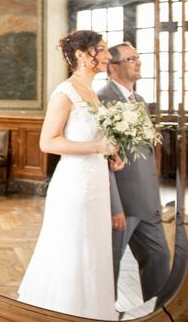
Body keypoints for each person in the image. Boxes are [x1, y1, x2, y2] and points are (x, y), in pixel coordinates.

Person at [17, 30, 124, 320]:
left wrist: (111, 153)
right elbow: (47, 142)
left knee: (94, 248)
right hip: (75, 186)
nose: (107, 56)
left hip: (97, 183)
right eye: (100, 49)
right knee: (73, 249)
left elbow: (94, 136)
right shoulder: (65, 93)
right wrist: (96, 146)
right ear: (80, 55)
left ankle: (94, 311)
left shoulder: (93, 93)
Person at [98, 42, 171, 303]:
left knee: (159, 258)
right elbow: (102, 158)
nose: (138, 62)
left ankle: (161, 315)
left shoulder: (139, 101)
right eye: (131, 59)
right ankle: (105, 314)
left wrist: (155, 198)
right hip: (122, 205)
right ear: (113, 67)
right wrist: (114, 206)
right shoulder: (101, 100)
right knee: (111, 267)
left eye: (138, 57)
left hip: (147, 201)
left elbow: (146, 155)